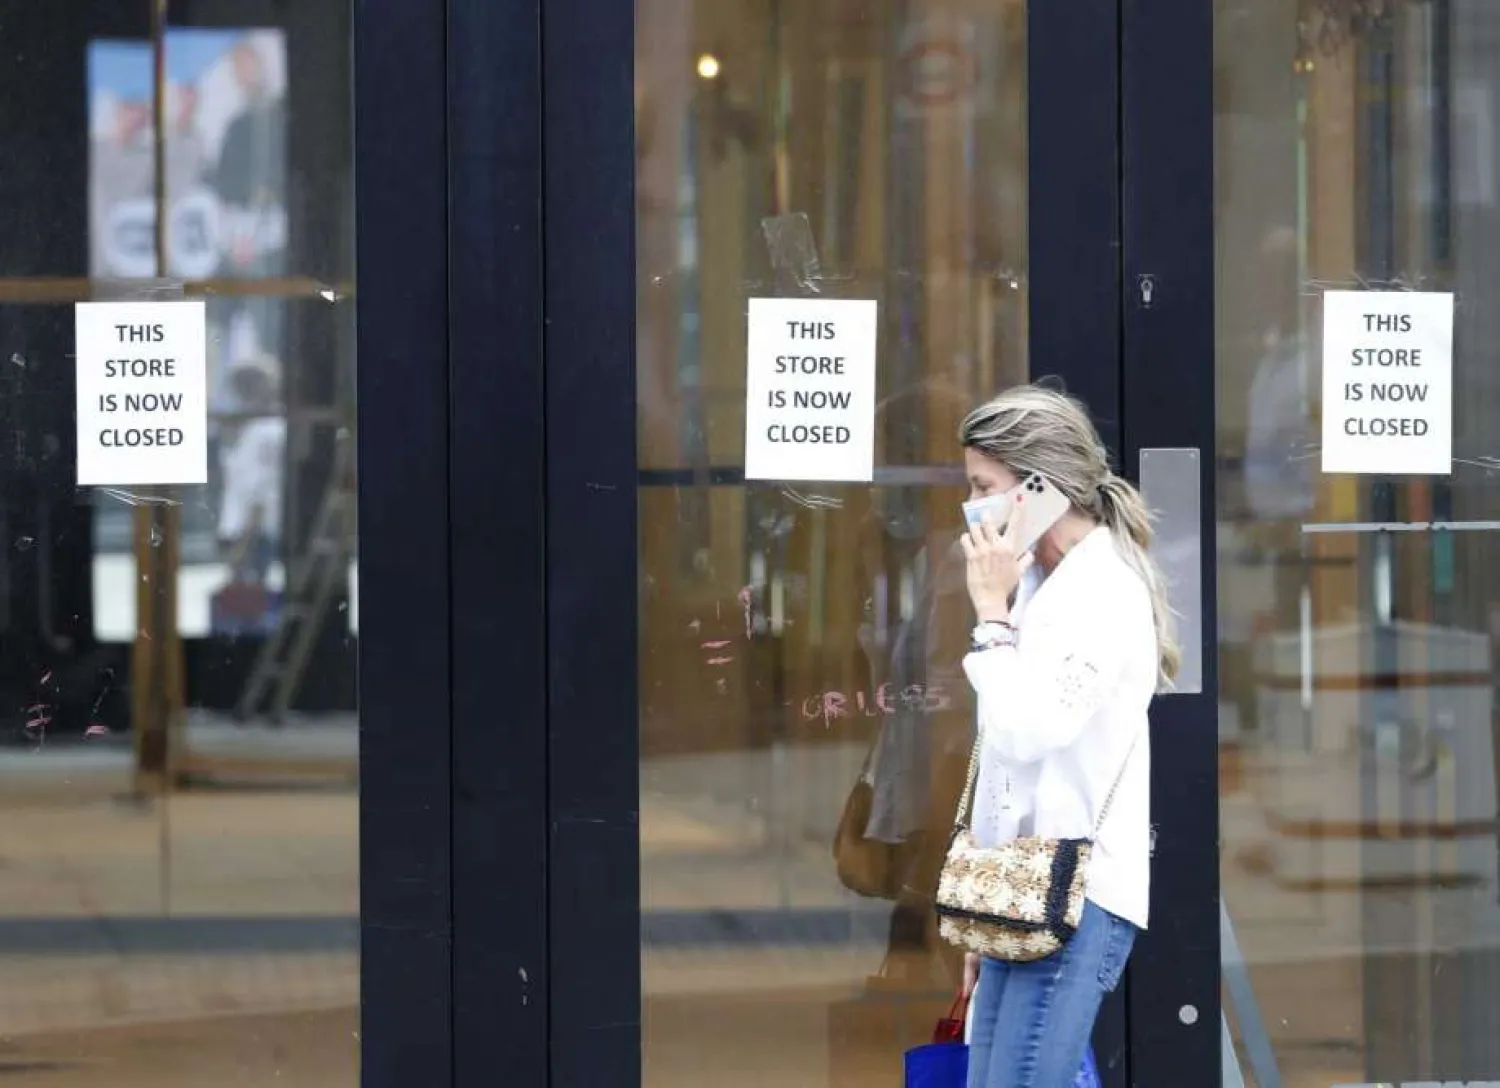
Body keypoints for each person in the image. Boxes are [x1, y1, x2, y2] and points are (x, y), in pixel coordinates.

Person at [953, 384, 1178, 1087]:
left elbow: (1029, 730)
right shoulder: (1045, 584)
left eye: (983, 486)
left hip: (1075, 901)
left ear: (1038, 487)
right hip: (1021, 893)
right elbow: (1002, 761)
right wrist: (983, 898)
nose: (973, 507)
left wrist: (991, 619)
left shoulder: (1101, 590)